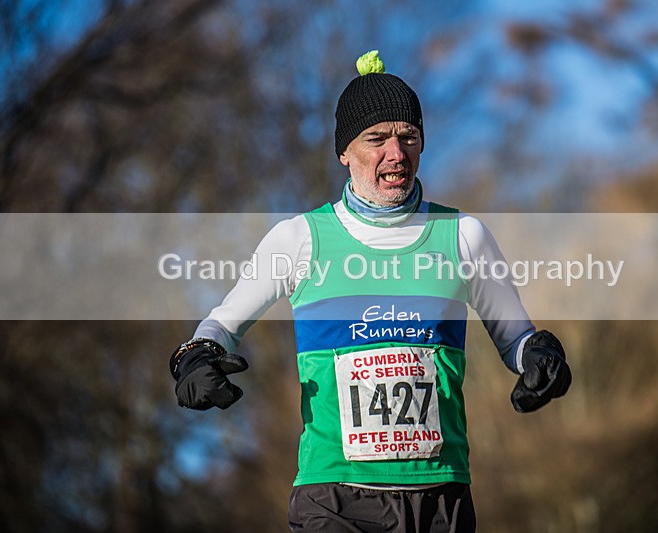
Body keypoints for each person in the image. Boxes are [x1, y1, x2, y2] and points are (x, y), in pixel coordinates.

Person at [169, 50, 572, 532]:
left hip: (440, 496)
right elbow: (221, 325)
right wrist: (194, 357)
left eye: (408, 138)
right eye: (376, 139)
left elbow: (515, 338)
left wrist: (539, 354)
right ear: (344, 152)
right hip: (335, 497)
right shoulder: (300, 238)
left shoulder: (463, 235)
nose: (395, 154)